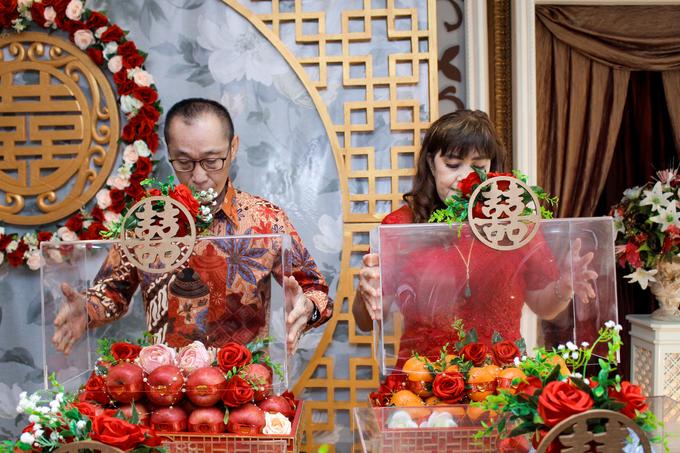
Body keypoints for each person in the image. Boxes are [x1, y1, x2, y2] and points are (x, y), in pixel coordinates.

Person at [52, 98, 333, 356]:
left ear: (233, 147)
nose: (198, 176)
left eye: (212, 160)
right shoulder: (149, 221)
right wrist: (87, 309)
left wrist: (307, 306)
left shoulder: (265, 220)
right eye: (184, 161)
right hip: (166, 388)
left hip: (245, 386)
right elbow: (114, 290)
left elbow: (316, 290)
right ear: (169, 152)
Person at [352, 109, 596, 369]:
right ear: (431, 163)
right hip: (422, 380)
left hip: (501, 381)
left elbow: (543, 306)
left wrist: (566, 283)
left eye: (479, 166)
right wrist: (364, 291)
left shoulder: (514, 223)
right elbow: (367, 322)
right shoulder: (399, 226)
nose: (466, 179)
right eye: (453, 165)